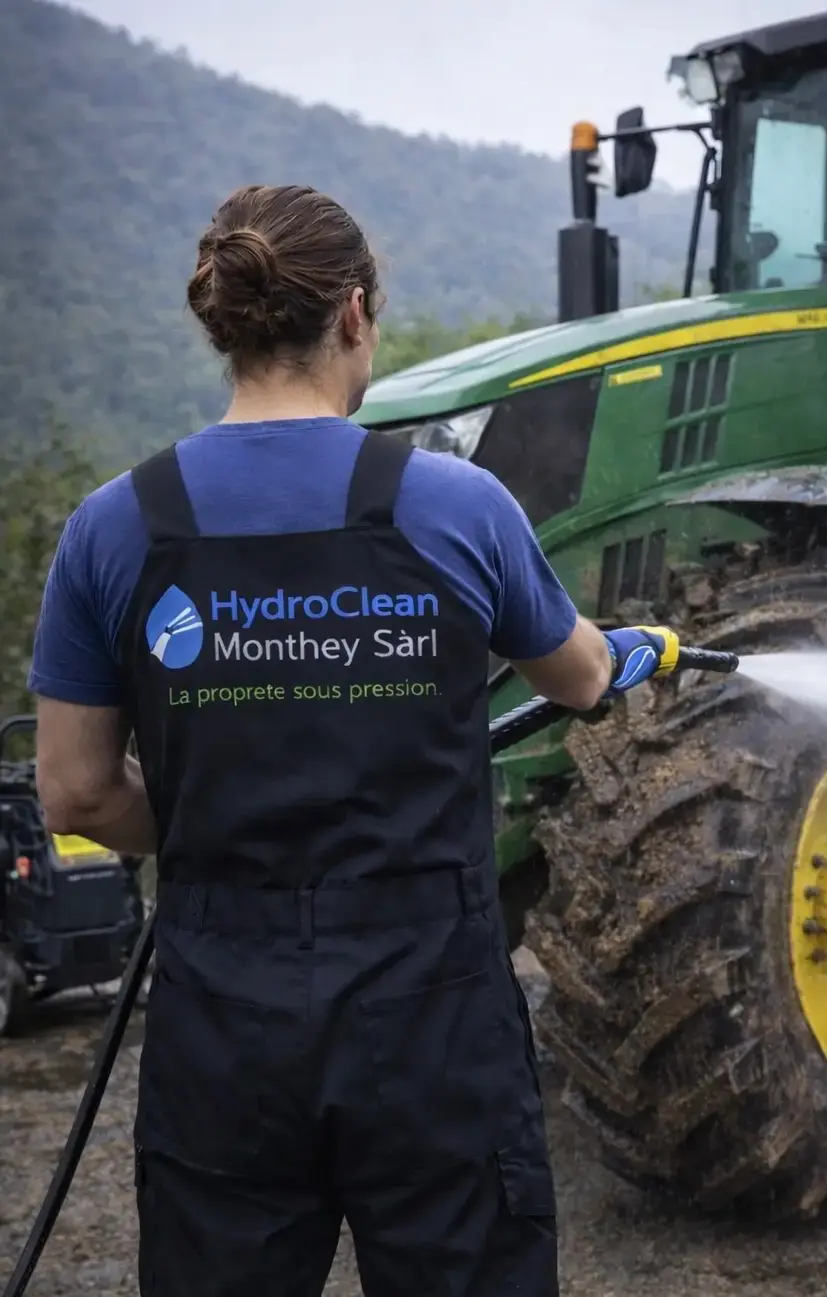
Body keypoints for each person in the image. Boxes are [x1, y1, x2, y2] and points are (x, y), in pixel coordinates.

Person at [29, 183, 682, 1297]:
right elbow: (578, 677)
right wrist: (636, 649)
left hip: (223, 1016)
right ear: (354, 313)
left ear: (225, 321)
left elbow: (77, 793)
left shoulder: (113, 526)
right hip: (432, 1010)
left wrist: (208, 836)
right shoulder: (460, 507)